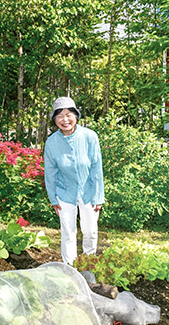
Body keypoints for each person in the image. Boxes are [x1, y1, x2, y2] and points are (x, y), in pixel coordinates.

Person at [44, 96, 105, 266]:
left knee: (90, 231)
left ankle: (88, 264)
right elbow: (50, 172)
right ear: (54, 119)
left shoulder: (90, 136)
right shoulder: (51, 142)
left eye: (69, 114)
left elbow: (96, 167)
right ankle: (69, 269)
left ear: (76, 116)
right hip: (64, 192)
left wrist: (99, 196)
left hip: (89, 192)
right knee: (68, 233)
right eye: (60, 115)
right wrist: (53, 199)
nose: (65, 119)